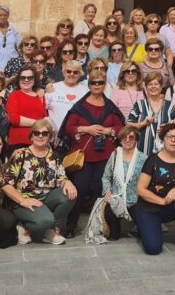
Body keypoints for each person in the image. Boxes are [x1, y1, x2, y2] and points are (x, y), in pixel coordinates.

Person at [61, 71, 124, 236]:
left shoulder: (110, 106)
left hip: (105, 156)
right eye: (94, 82)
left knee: (100, 190)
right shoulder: (80, 106)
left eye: (100, 82)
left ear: (105, 85)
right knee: (79, 190)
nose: (97, 85)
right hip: (84, 156)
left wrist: (107, 130)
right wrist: (86, 129)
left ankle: (99, 225)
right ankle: (71, 224)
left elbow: (120, 127)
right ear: (89, 85)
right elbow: (69, 127)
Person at [2, 119, 77, 244]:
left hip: (46, 198)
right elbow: (5, 184)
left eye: (44, 133)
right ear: (31, 136)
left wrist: (67, 182)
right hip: (23, 200)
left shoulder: (54, 156)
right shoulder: (21, 155)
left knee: (70, 193)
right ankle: (25, 226)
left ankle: (50, 229)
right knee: (45, 220)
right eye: (36, 133)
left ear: (50, 137)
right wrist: (23, 201)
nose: (40, 136)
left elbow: (61, 177)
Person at [134, 121, 175, 255]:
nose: (173, 140)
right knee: (153, 248)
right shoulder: (153, 160)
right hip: (149, 208)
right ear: (163, 139)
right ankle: (144, 227)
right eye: (169, 136)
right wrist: (161, 201)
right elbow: (140, 189)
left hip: (170, 207)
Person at [99, 123, 146, 241]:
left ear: (136, 140)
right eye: (124, 137)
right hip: (115, 199)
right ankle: (115, 229)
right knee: (113, 236)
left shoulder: (143, 158)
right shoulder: (114, 155)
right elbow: (106, 177)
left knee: (144, 235)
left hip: (135, 201)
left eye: (131, 137)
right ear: (120, 140)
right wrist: (107, 191)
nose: (127, 140)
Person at [128, 71, 175, 155]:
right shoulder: (139, 104)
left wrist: (168, 126)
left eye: (156, 84)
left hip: (165, 153)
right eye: (150, 84)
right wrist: (142, 124)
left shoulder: (170, 106)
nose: (153, 86)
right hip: (142, 152)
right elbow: (128, 125)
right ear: (146, 87)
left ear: (161, 86)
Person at [5, 68, 46, 149]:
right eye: (23, 77)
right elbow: (14, 119)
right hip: (18, 142)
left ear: (34, 80)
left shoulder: (41, 97)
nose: (26, 80)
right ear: (19, 80)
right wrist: (39, 123)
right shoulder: (14, 95)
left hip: (39, 141)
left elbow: (45, 117)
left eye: (30, 78)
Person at [44, 60, 84, 133]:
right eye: (69, 71)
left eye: (75, 72)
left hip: (75, 134)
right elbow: (43, 109)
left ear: (80, 74)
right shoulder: (53, 87)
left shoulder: (85, 91)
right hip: (54, 134)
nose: (72, 74)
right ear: (64, 72)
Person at [0, 5, 21, 75]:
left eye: (5, 15)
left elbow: (21, 47)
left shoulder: (14, 31)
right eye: (0, 15)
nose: (3, 17)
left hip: (13, 69)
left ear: (8, 16)